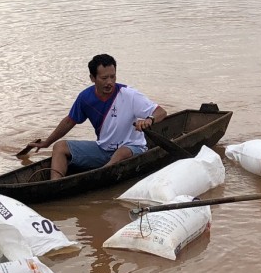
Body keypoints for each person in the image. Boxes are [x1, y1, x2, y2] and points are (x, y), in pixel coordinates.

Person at [25, 54, 167, 180]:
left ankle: (100, 176)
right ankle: (55, 184)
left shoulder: (129, 95)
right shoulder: (85, 98)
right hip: (103, 149)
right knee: (60, 147)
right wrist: (46, 143)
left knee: (121, 152)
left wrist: (149, 119)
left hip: (132, 149)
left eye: (113, 77)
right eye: (104, 78)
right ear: (93, 78)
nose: (109, 82)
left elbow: (161, 112)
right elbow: (69, 121)